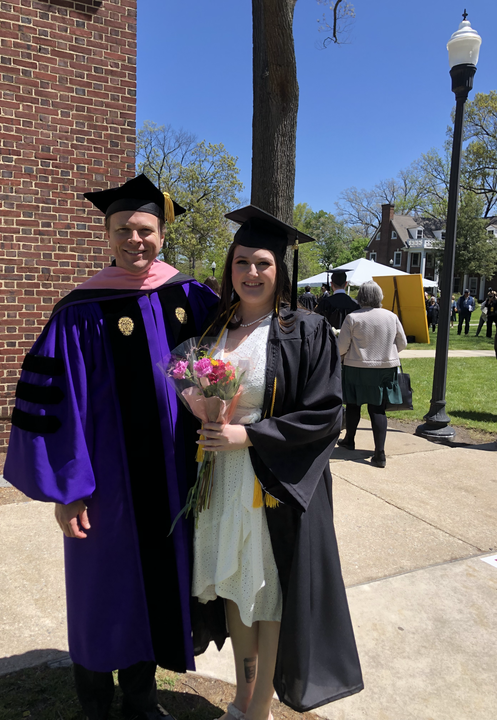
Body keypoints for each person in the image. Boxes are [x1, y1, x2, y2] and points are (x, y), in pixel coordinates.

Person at [4, 175, 218, 720]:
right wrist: (68, 492)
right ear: (106, 234)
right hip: (105, 490)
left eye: (145, 229)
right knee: (103, 593)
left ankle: (142, 702)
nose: (134, 240)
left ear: (162, 234)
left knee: (155, 592)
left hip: (173, 483)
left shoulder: (188, 297)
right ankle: (95, 706)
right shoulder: (79, 311)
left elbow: (233, 361)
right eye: (123, 229)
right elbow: (56, 406)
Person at [191, 206, 363, 719]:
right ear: (230, 267)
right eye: (241, 261)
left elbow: (326, 414)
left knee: (268, 595)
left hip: (272, 483)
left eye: (263, 263)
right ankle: (243, 695)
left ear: (279, 271)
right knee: (237, 591)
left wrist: (248, 434)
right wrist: (192, 398)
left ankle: (259, 705)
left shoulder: (305, 330)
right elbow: (190, 373)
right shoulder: (217, 327)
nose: (251, 273)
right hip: (221, 481)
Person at [337, 281, 407, 468]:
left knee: (353, 405)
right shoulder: (391, 316)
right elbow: (402, 343)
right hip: (385, 368)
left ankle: (349, 439)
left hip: (356, 367)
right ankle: (379, 452)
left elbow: (341, 347)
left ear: (361, 297)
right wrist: (388, 353)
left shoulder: (353, 318)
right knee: (378, 408)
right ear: (379, 296)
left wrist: (345, 355)